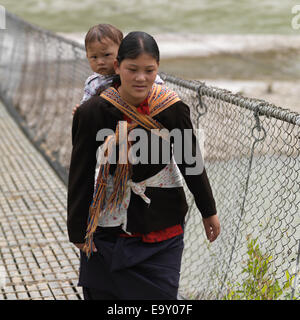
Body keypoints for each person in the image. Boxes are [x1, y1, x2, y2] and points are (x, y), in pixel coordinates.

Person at [67, 31, 220, 300]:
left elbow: (190, 162)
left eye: (149, 70)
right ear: (117, 67)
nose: (141, 78)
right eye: (132, 69)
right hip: (106, 226)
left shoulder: (172, 108)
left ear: (158, 69)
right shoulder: (93, 112)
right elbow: (79, 174)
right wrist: (77, 230)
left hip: (162, 223)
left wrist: (209, 211)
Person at [72, 24, 163, 114]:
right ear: (87, 56)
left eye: (107, 55)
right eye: (94, 57)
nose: (100, 62)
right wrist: (80, 111)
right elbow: (87, 105)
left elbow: (158, 84)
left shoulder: (135, 72)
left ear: (120, 51)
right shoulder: (95, 83)